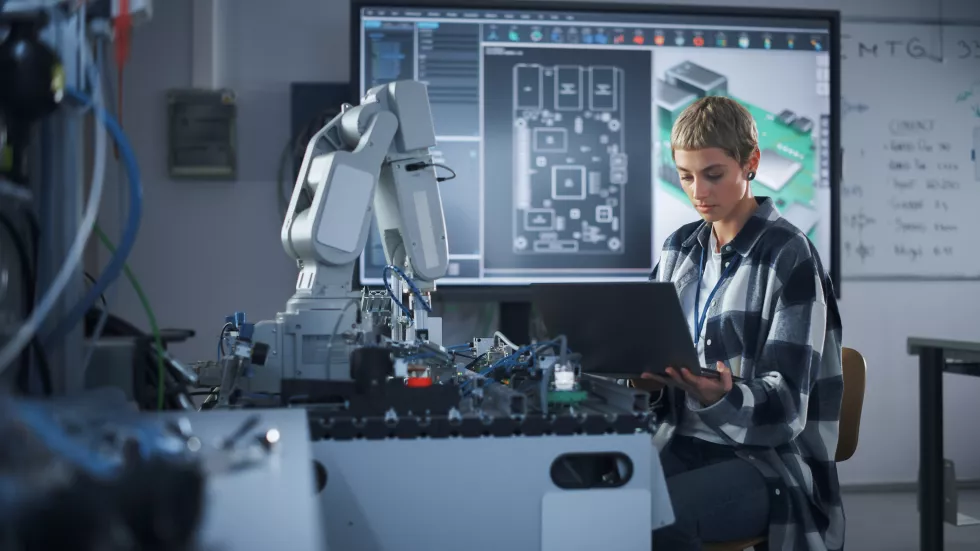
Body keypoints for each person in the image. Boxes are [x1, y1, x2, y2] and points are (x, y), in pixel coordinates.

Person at [634, 96, 844, 551]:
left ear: (751, 164)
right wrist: (643, 377)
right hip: (677, 441)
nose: (698, 192)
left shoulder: (790, 255)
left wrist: (721, 396)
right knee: (596, 500)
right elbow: (646, 349)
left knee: (655, 517)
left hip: (766, 462)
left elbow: (787, 407)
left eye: (713, 175)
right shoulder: (677, 249)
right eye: (685, 176)